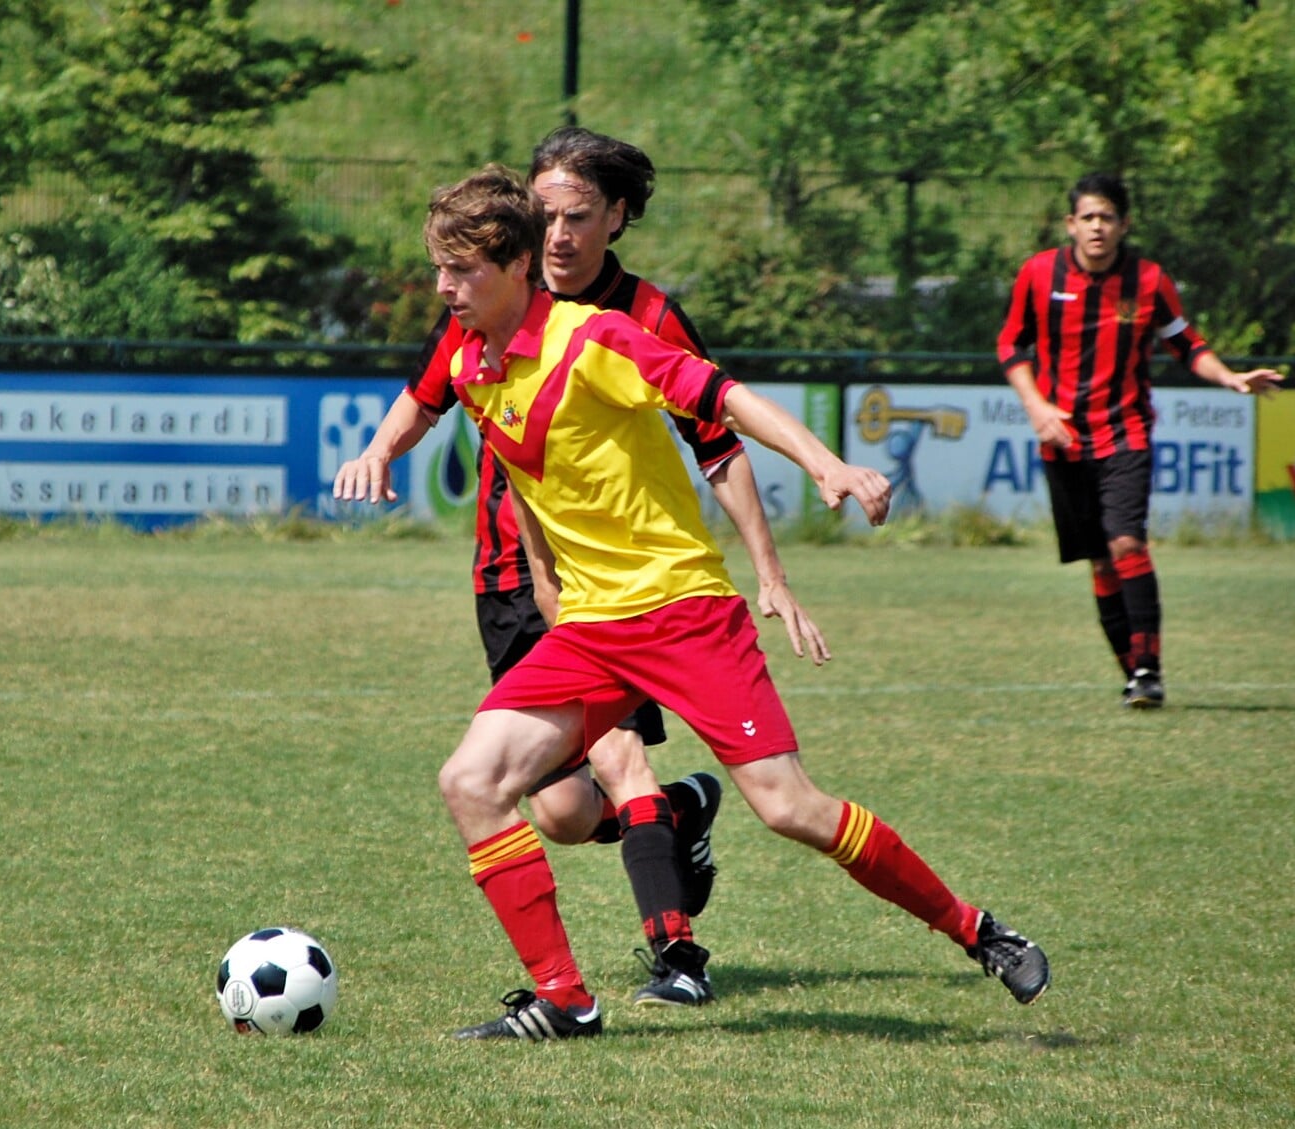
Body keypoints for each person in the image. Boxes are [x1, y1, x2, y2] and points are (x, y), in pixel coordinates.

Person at [409, 164, 1049, 1042]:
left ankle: (977, 929)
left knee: (790, 808)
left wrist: (826, 464)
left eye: (461, 270)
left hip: (683, 613)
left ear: (516, 266)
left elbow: (725, 400)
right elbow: (528, 483)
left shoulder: (598, 339)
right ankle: (565, 998)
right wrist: (552, 588)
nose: (444, 288)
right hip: (593, 629)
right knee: (472, 782)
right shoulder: (475, 362)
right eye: (439, 269)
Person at [335, 128, 829, 1008]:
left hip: (620, 591)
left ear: (616, 217)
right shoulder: (477, 307)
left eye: (576, 216)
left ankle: (674, 955)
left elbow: (718, 441)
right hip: (506, 579)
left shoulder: (634, 322)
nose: (558, 234)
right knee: (562, 813)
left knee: (621, 762)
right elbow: (424, 397)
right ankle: (683, 815)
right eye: (546, 214)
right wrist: (378, 450)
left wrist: (772, 571)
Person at [996, 173, 1283, 708]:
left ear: (1124, 224)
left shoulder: (1149, 281)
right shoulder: (1039, 274)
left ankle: (1149, 667)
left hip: (1125, 434)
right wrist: (1036, 406)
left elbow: (1188, 345)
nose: (1097, 227)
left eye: (1107, 217)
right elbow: (1011, 345)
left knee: (1127, 544)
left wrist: (1230, 378)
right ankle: (1134, 674)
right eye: (1088, 217)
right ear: (1071, 224)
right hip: (1062, 441)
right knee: (1101, 562)